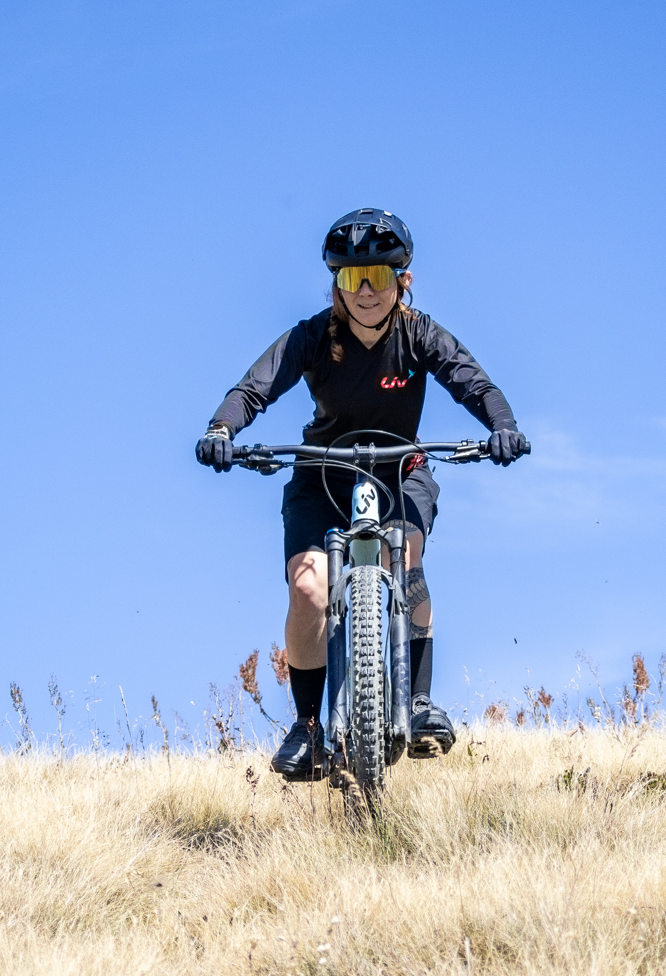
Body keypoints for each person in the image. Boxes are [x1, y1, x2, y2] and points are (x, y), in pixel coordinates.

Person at [196, 208, 529, 782]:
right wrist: (222, 431)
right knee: (308, 587)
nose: (366, 291)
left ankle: (419, 702)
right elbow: (253, 388)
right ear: (336, 286)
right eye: (352, 279)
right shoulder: (312, 336)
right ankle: (306, 726)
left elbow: (475, 383)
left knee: (407, 553)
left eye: (378, 275)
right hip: (323, 471)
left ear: (403, 279)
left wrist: (502, 425)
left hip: (400, 469)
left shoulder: (420, 334)